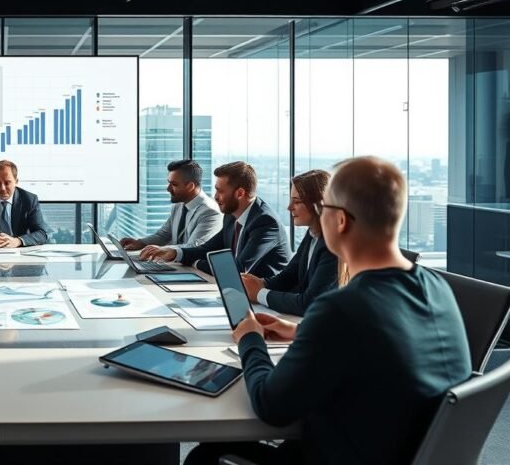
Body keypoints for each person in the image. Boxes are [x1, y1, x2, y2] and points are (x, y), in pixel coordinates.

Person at [184, 157, 471, 465]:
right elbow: (386, 343)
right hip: (394, 449)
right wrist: (303, 331)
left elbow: (271, 406)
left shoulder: (340, 310)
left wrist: (250, 338)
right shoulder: (435, 286)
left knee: (206, 455)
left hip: (341, 454)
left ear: (341, 221)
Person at [140, 161, 291, 279]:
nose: (215, 196)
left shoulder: (264, 222)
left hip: (264, 302)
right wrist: (174, 252)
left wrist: (196, 262)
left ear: (239, 193)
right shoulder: (232, 216)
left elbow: (237, 269)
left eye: (220, 191)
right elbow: (207, 249)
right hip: (236, 290)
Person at [240, 170, 338, 316]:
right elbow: (289, 275)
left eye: (297, 201)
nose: (289, 207)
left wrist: (260, 294)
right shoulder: (313, 233)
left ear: (319, 204)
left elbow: (309, 303)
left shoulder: (333, 245)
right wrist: (262, 283)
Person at [118, 159, 222, 256]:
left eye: (174, 184)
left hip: (193, 268)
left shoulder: (210, 212)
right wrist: (140, 243)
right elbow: (164, 234)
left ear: (190, 186)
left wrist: (161, 250)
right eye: (169, 183)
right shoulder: (179, 205)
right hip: (176, 263)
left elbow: (194, 246)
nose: (168, 189)